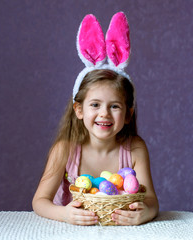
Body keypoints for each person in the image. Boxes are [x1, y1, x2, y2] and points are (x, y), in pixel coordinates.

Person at [32, 12, 159, 226]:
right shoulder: (64, 150)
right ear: (79, 109)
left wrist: (145, 213)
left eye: (115, 106)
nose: (104, 114)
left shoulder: (135, 149)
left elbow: (151, 201)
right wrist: (64, 214)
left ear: (128, 114)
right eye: (95, 105)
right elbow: (39, 202)